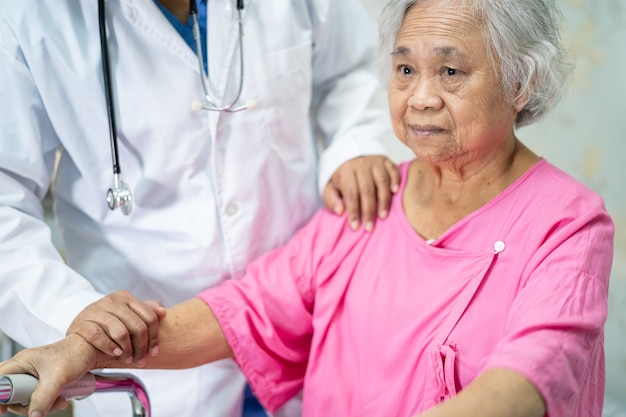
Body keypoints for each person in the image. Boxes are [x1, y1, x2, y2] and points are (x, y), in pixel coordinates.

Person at [0, 0, 615, 416]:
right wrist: (81, 342)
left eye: (450, 71)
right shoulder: (368, 211)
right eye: (405, 69)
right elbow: (244, 311)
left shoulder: (568, 223)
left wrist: (348, 150)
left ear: (521, 84)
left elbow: (530, 379)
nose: (421, 97)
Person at [0, 1, 401, 417]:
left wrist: (355, 144)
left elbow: (351, 66)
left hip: (299, 320)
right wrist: (68, 310)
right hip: (153, 360)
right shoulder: (31, 15)